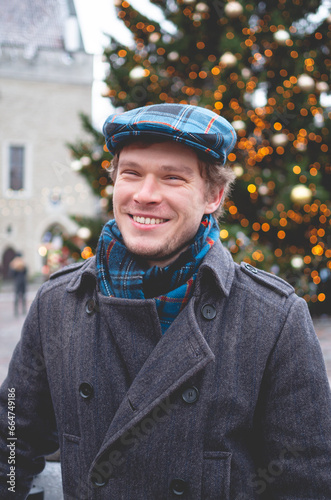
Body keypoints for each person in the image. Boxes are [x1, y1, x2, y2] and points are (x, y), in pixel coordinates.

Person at [0, 103, 330, 500]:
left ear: (213, 196)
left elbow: (305, 480)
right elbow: (12, 437)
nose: (145, 195)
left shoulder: (273, 318)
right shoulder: (57, 304)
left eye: (173, 178)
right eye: (131, 173)